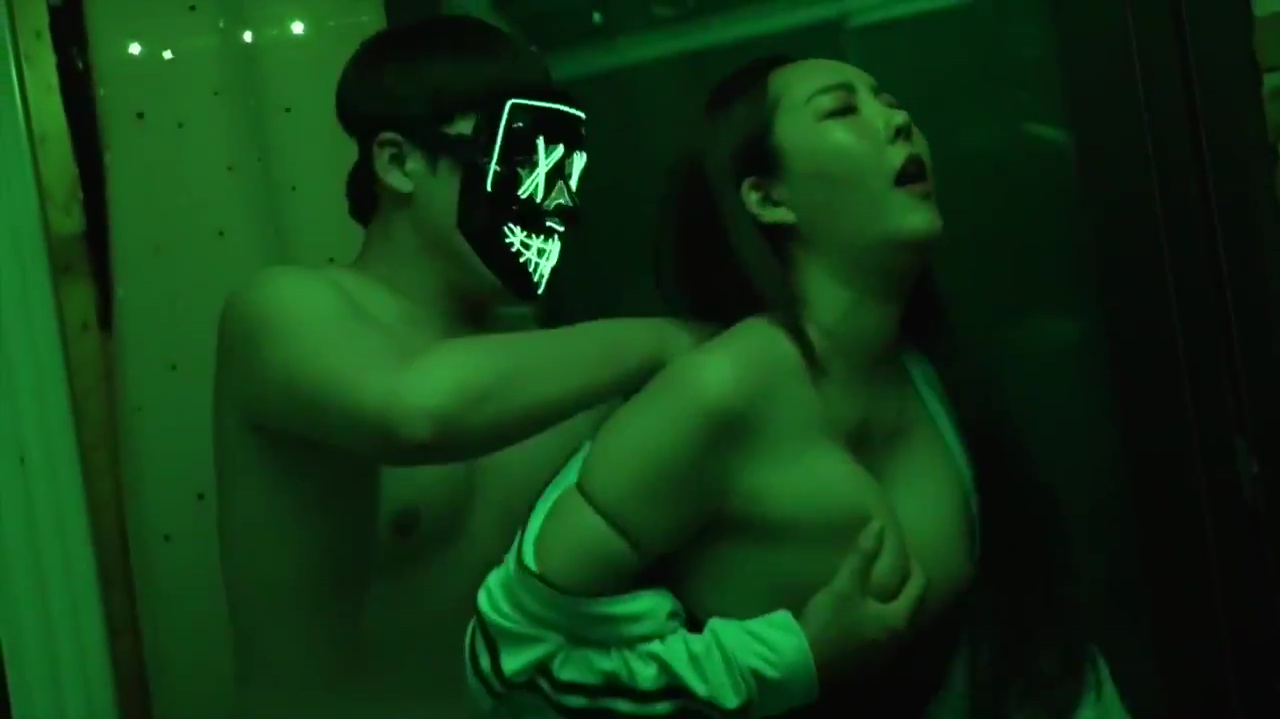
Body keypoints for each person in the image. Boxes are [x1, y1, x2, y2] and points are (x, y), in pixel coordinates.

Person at [466, 56, 1133, 719]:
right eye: (842, 109)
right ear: (769, 197)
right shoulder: (723, 389)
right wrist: (794, 656)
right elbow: (512, 655)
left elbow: (1024, 638)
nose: (898, 120)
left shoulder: (926, 368)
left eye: (889, 99)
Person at [213, 15, 705, 719]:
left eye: (557, 174)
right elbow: (416, 411)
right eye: (518, 164)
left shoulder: (550, 363)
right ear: (399, 163)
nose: (542, 203)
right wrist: (667, 340)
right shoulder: (285, 310)